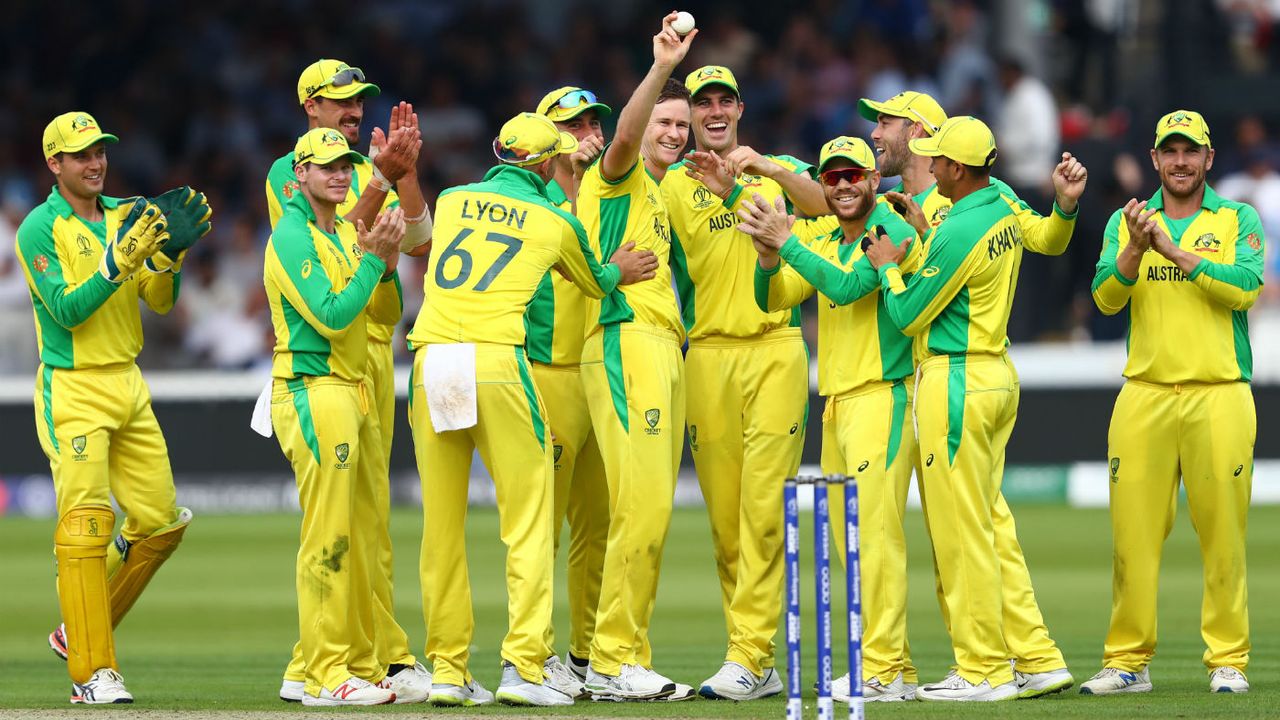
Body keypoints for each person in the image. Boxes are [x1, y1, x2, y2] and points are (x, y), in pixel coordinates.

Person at [406, 111, 656, 708]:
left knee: (441, 528)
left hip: (431, 357)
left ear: (500, 151)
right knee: (528, 520)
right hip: (497, 359)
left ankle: (446, 669)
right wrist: (620, 268)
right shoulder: (553, 217)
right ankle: (524, 665)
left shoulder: (455, 195)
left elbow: (421, 237)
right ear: (547, 165)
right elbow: (596, 282)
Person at [860, 90, 1084, 699]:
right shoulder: (1003, 200)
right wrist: (1063, 209)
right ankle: (1035, 657)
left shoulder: (960, 225)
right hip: (995, 371)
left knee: (962, 532)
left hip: (954, 377)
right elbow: (1049, 240)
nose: (929, 167)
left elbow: (907, 314)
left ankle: (983, 668)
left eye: (937, 159)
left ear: (957, 169)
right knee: (988, 524)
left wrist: (888, 262)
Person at [20, 111, 208, 703]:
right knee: (86, 527)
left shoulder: (131, 213)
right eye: (81, 155)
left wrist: (168, 258)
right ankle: (91, 673)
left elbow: (158, 301)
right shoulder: (38, 228)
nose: (96, 162)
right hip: (72, 387)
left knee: (159, 524)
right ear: (55, 165)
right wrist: (116, 262)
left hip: (128, 380)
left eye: (100, 151)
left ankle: (75, 629)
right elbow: (67, 311)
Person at [265, 58, 432, 705]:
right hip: (323, 364)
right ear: (311, 105)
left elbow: (415, 241)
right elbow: (328, 283)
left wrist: (405, 174)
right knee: (335, 525)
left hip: (365, 362)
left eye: (360, 99)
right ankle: (338, 665)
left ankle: (351, 659)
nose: (355, 109)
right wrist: (378, 189)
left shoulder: (368, 169)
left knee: (370, 524)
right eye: (340, 100)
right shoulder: (292, 173)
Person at [659, 63, 823, 701]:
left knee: (761, 514)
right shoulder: (670, 185)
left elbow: (821, 207)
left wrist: (768, 172)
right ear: (692, 115)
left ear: (740, 108)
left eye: (725, 100)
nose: (715, 112)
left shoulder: (775, 166)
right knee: (727, 524)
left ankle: (749, 654)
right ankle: (754, 660)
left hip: (775, 349)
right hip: (705, 356)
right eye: (704, 104)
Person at [1082, 110, 1261, 696]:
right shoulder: (1126, 221)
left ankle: (1227, 660)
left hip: (1219, 393)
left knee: (1224, 536)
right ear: (1155, 159)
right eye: (1170, 151)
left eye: (1192, 151)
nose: (1181, 161)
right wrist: (1137, 249)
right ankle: (1127, 662)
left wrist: (1176, 251)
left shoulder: (1238, 217)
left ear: (1209, 159)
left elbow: (1245, 289)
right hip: (1145, 395)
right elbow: (1106, 300)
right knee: (1131, 537)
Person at [737, 136, 920, 701]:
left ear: (873, 179)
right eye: (832, 177)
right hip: (838, 404)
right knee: (854, 545)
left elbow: (847, 286)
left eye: (853, 176)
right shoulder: (831, 241)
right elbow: (774, 299)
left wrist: (786, 241)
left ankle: (883, 668)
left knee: (877, 537)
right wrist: (769, 255)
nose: (842, 186)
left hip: (882, 397)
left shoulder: (894, 229)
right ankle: (898, 667)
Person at [573, 13, 697, 701]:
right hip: (626, 342)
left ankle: (622, 656)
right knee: (640, 507)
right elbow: (621, 136)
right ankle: (614, 658)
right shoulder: (617, 175)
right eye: (665, 123)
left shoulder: (659, 189)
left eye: (681, 124)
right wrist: (660, 65)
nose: (674, 133)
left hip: (659, 348)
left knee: (648, 509)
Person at [527, 85, 614, 695]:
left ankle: (587, 655)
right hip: (549, 373)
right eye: (574, 123)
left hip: (601, 372)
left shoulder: (614, 193)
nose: (589, 131)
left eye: (593, 121)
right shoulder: (534, 200)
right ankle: (535, 654)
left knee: (600, 526)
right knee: (542, 526)